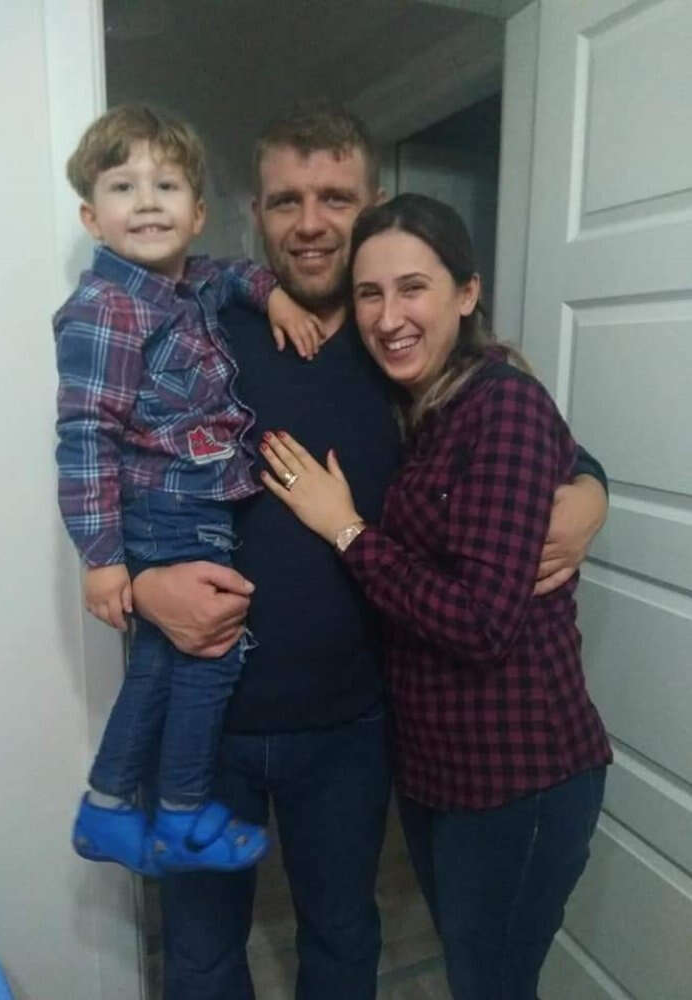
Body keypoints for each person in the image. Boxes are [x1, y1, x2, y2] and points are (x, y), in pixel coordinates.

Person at [131, 103, 609, 999]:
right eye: (287, 201)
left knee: (344, 936)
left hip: (351, 726)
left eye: (336, 198)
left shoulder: (401, 347)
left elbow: (528, 438)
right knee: (199, 952)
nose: (311, 223)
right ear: (255, 212)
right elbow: (114, 465)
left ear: (371, 203)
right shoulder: (197, 335)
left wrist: (591, 493)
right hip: (202, 712)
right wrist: (145, 586)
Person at [259, 192, 612, 1000]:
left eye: (412, 288)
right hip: (440, 771)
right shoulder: (415, 403)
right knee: (475, 972)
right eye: (369, 293)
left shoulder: (502, 404)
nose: (388, 318)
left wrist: (346, 530)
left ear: (466, 292)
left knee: (490, 984)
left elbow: (481, 623)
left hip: (521, 775)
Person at [54, 105, 323, 878]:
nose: (146, 202)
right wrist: (102, 558)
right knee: (213, 652)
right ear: (92, 217)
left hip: (194, 505)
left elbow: (233, 272)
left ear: (197, 212)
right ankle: (180, 813)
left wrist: (273, 295)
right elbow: (84, 437)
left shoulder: (193, 283)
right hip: (170, 509)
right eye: (123, 187)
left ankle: (108, 807)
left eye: (166, 186)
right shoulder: (107, 308)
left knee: (158, 664)